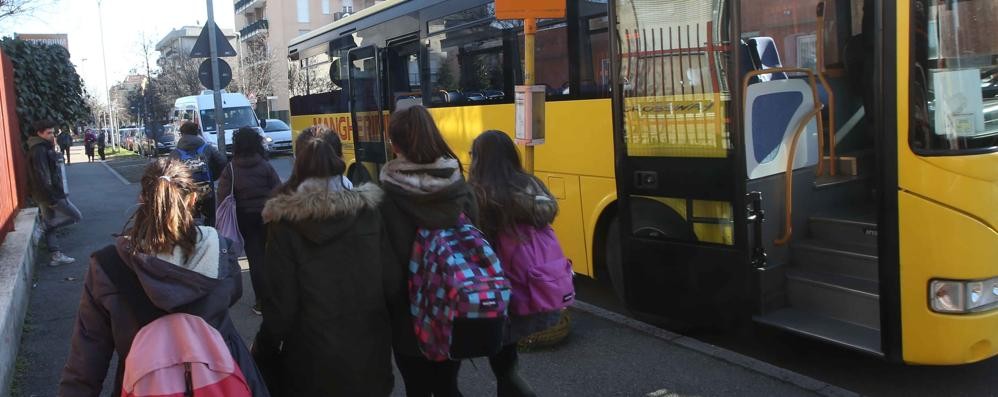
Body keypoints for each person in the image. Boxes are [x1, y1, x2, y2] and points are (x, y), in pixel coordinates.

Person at [57, 158, 270, 397]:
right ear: (192, 200)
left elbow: (85, 365)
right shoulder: (222, 253)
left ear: (142, 200)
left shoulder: (107, 267)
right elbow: (231, 295)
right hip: (219, 385)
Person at [257, 127, 397, 395]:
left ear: (298, 162)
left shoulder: (284, 224)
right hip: (369, 356)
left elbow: (281, 304)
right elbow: (391, 284)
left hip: (310, 362)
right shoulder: (369, 212)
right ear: (338, 158)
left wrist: (264, 347)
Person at [379, 105, 477, 397]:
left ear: (395, 144)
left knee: (417, 388)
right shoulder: (460, 187)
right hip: (456, 307)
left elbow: (389, 275)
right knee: (449, 386)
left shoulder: (385, 198)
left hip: (409, 320)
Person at [469, 130, 563, 397]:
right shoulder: (532, 185)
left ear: (480, 159)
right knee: (507, 362)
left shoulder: (482, 194)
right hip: (532, 283)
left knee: (503, 365)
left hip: (500, 288)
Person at [216, 127, 281, 315]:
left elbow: (223, 195)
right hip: (267, 215)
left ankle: (262, 301)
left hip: (244, 217)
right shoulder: (264, 165)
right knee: (270, 257)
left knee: (255, 258)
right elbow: (278, 189)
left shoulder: (231, 169)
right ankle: (275, 297)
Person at [26, 120, 82, 267]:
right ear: (40, 133)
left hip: (44, 194)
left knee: (51, 222)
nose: (52, 135)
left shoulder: (42, 147)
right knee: (75, 216)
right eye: (49, 133)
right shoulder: (39, 150)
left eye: (53, 132)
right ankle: (43, 227)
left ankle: (56, 255)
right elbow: (43, 176)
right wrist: (52, 197)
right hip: (49, 195)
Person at [171, 121, 227, 226]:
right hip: (206, 189)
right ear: (196, 133)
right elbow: (222, 162)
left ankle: (193, 238)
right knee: (210, 217)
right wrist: (213, 176)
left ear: (182, 134)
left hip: (186, 191)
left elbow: (169, 173)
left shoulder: (176, 153)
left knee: (188, 218)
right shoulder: (207, 148)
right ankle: (210, 237)